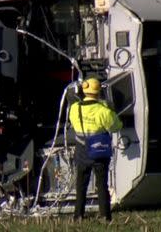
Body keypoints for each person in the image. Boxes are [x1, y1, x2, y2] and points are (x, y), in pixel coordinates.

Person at [69, 77, 122, 221]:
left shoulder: (75, 108)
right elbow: (117, 127)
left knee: (81, 185)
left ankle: (78, 216)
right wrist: (110, 109)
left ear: (84, 91)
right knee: (102, 184)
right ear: (99, 92)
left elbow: (73, 123)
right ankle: (105, 216)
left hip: (81, 149)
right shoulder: (103, 110)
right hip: (99, 150)